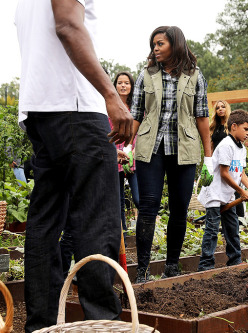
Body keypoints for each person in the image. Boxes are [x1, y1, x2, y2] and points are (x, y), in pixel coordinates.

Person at [15, 0, 133, 331]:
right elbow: (67, 25)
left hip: (40, 110)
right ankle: (103, 324)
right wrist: (111, 95)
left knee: (45, 222)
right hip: (75, 106)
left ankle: (42, 326)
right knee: (97, 218)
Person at [131, 26, 212, 283]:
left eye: (160, 43)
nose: (155, 48)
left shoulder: (195, 76)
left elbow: (201, 117)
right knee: (148, 206)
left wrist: (208, 156)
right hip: (150, 148)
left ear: (175, 45)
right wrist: (125, 146)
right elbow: (136, 113)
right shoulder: (146, 75)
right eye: (153, 44)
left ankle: (172, 267)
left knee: (179, 209)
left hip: (184, 150)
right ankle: (142, 271)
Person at [197, 109, 248, 271]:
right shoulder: (226, 145)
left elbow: (241, 172)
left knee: (232, 228)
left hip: (227, 194)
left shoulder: (241, 148)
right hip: (214, 193)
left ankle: (235, 260)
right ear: (234, 127)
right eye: (245, 129)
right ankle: (206, 264)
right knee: (212, 229)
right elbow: (224, 174)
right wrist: (241, 191)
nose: (247, 133)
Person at [112, 72, 140, 233]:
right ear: (115, 85)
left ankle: (144, 233)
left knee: (138, 198)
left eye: (126, 83)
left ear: (131, 86)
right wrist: (114, 151)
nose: (123, 86)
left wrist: (134, 151)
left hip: (133, 158)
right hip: (115, 158)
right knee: (118, 201)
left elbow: (142, 131)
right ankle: (122, 237)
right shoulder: (110, 107)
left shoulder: (137, 107)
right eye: (120, 83)